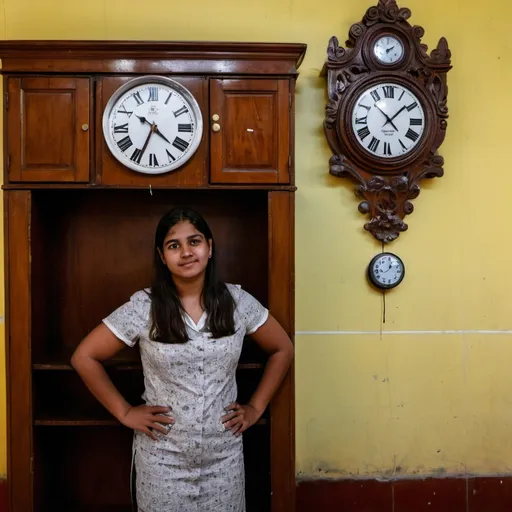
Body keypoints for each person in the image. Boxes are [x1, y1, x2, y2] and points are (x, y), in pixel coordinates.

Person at [71, 206, 294, 512]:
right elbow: (84, 357)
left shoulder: (237, 302)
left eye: (195, 241)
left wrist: (255, 408)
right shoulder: (145, 306)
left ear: (210, 247)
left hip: (223, 457)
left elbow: (282, 349)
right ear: (162, 256)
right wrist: (124, 412)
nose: (186, 252)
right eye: (174, 245)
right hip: (162, 459)